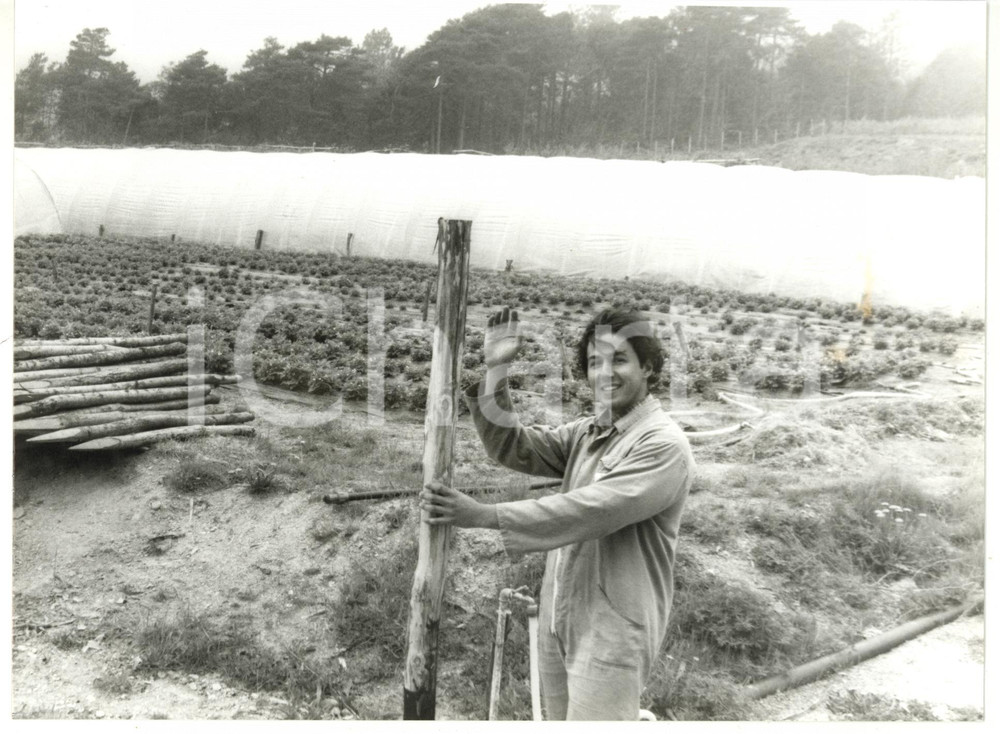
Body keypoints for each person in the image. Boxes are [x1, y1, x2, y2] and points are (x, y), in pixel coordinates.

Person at [420, 306, 695, 721]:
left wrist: (485, 515)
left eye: (620, 359)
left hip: (613, 629)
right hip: (559, 615)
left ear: (649, 368)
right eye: (594, 362)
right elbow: (513, 446)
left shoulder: (663, 445)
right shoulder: (590, 432)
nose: (605, 373)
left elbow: (593, 510)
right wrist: (496, 370)